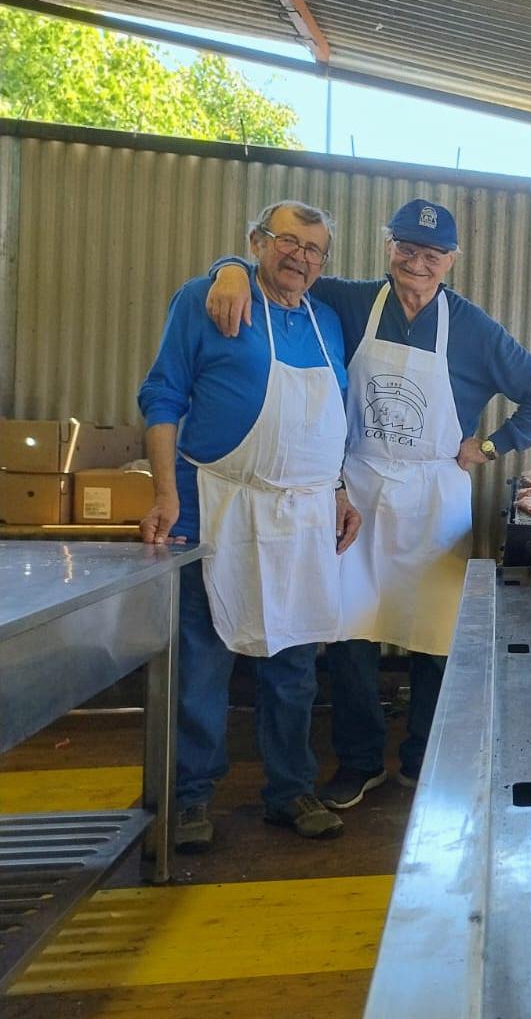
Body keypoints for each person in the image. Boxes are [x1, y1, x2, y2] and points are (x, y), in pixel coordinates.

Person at [204, 198, 531, 807]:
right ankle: (359, 759)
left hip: (435, 493)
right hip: (359, 490)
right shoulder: (350, 302)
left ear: (451, 261)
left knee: (433, 637)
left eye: (431, 254)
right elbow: (283, 278)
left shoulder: (472, 328)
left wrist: (488, 445)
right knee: (350, 628)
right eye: (405, 248)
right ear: (387, 247)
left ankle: (423, 758)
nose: (416, 263)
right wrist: (229, 268)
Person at [139, 200, 360, 851]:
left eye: (314, 249)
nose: (300, 257)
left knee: (293, 665)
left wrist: (340, 490)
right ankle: (188, 800)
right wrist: (162, 494)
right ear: (256, 242)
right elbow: (162, 397)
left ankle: (290, 790)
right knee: (202, 662)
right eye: (286, 242)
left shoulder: (325, 322)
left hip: (302, 516)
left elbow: (327, 422)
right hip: (215, 503)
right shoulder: (209, 300)